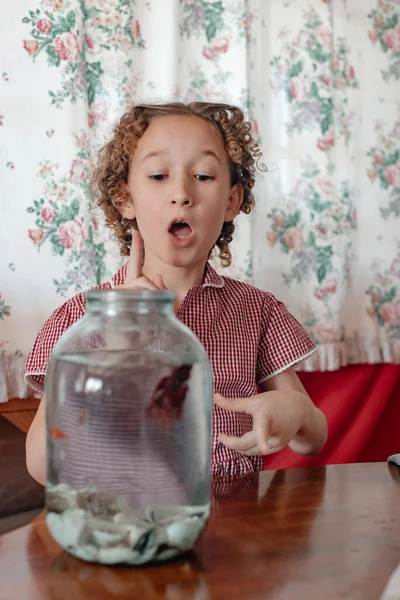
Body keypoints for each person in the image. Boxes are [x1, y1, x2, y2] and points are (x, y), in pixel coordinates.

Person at [25, 101, 327, 485]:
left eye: (203, 175)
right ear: (125, 199)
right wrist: (114, 349)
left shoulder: (258, 311)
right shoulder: (80, 319)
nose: (181, 193)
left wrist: (296, 411)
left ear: (232, 202)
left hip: (236, 524)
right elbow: (41, 464)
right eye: (157, 175)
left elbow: (314, 439)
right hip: (125, 522)